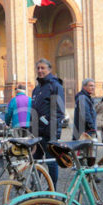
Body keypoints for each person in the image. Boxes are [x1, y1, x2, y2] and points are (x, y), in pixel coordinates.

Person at [31, 58, 65, 189]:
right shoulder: (37, 88)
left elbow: (59, 111)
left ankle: (52, 188)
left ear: (49, 70)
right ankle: (36, 186)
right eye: (38, 68)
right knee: (36, 161)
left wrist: (52, 130)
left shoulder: (55, 86)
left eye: (42, 68)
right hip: (36, 133)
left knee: (51, 162)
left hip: (49, 133)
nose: (40, 70)